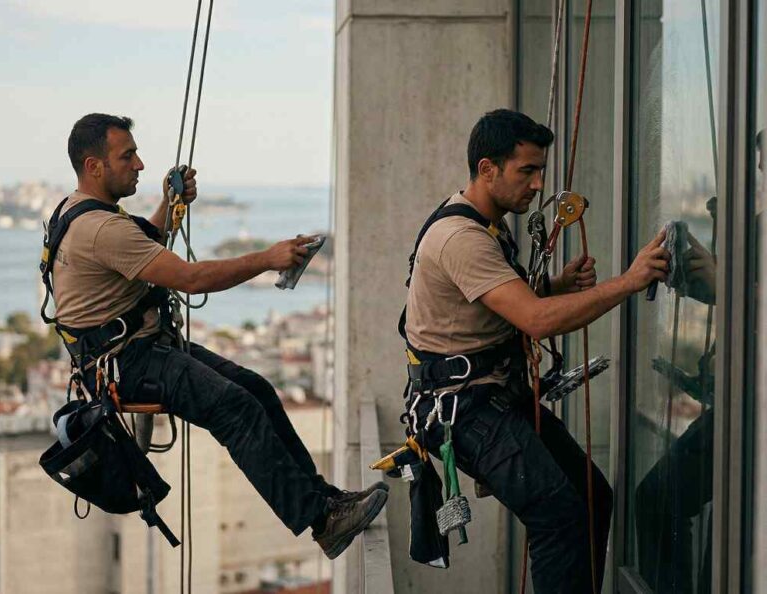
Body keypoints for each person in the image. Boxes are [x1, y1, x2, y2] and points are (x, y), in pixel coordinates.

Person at [50, 113, 387, 559]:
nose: (140, 164)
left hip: (137, 351)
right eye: (127, 155)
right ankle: (322, 521)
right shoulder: (100, 228)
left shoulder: (79, 213)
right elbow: (190, 278)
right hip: (128, 363)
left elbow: (146, 240)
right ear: (94, 166)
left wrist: (171, 203)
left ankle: (324, 499)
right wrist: (268, 258)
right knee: (236, 409)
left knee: (257, 390)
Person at [401, 109, 670, 593]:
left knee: (591, 496)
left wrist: (553, 284)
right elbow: (536, 320)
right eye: (527, 170)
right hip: (466, 411)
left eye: (540, 170)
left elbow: (497, 300)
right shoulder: (461, 238)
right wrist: (628, 283)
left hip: (492, 399)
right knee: (560, 517)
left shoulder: (488, 223)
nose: (537, 184)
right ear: (488, 169)